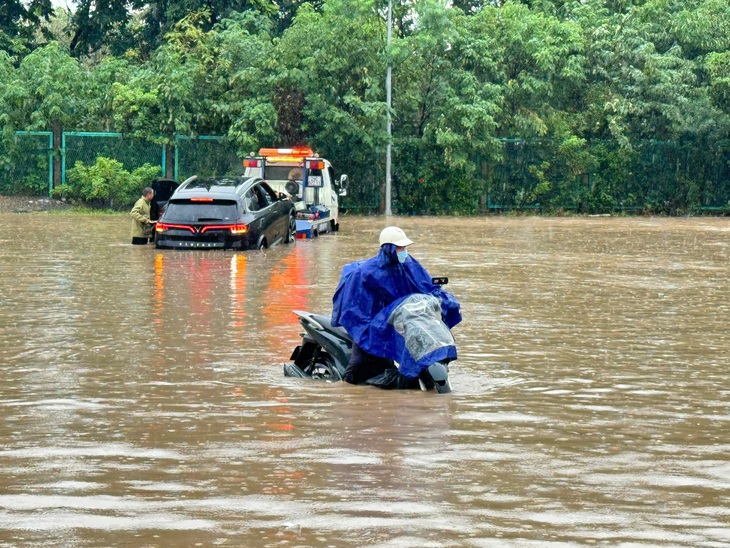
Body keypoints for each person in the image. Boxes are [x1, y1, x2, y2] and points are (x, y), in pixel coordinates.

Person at [331, 226, 461, 385]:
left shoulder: (408, 264)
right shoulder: (365, 273)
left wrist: (442, 299)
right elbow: (355, 308)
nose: (404, 251)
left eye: (405, 247)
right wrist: (367, 329)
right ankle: (346, 389)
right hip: (373, 324)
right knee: (358, 364)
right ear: (388, 248)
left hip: (401, 319)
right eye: (400, 247)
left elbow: (425, 286)